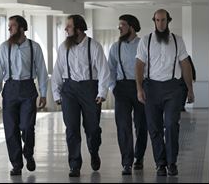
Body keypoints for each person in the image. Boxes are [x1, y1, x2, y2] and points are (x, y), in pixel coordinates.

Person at [135, 9, 194, 176]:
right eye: (157, 20)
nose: (160, 23)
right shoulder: (145, 41)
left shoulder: (177, 40)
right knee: (154, 128)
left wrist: (190, 88)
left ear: (169, 21)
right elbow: (139, 66)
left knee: (171, 125)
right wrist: (139, 89)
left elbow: (185, 65)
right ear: (154, 21)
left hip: (173, 89)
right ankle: (160, 163)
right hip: (151, 89)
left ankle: (172, 162)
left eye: (163, 20)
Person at [51, 14, 110, 177]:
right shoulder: (64, 47)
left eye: (68, 26)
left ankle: (94, 150)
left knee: (92, 128)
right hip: (69, 89)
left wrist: (102, 92)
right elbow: (57, 70)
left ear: (78, 28)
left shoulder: (94, 46)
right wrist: (56, 93)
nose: (65, 29)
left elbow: (104, 70)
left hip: (90, 88)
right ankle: (74, 165)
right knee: (71, 129)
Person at [0, 15, 48, 176]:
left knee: (27, 127)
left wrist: (43, 94)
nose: (9, 29)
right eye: (9, 26)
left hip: (28, 88)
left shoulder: (34, 47)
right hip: (9, 88)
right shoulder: (4, 47)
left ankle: (28, 153)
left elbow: (42, 71)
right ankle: (16, 164)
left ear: (22, 28)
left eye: (12, 26)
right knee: (10, 130)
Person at [108, 14, 147, 175]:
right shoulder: (115, 47)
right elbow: (110, 69)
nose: (119, 28)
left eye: (122, 25)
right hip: (122, 89)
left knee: (141, 125)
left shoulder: (143, 44)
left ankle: (139, 157)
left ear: (131, 27)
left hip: (141, 87)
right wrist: (113, 88)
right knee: (123, 126)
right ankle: (126, 162)